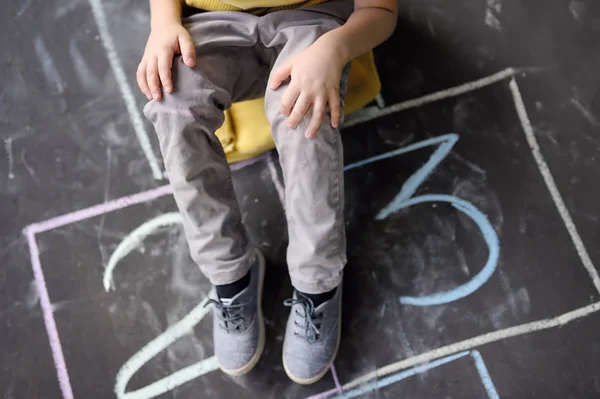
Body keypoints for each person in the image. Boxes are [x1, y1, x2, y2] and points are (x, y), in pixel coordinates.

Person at [137, 0, 396, 384]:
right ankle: (231, 274)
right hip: (211, 24)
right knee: (173, 106)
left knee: (306, 121)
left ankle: (317, 287)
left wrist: (335, 47)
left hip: (310, 22)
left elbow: (381, 10)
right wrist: (163, 23)